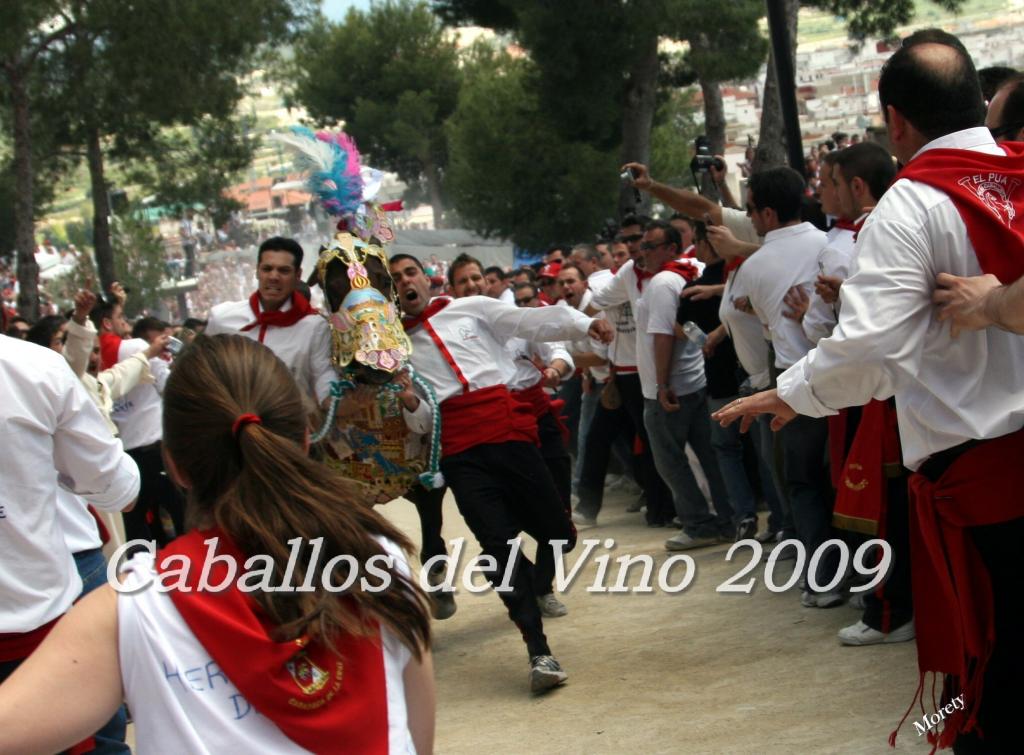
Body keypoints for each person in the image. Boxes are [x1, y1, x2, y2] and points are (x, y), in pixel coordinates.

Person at [714, 29, 1024, 752]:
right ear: (979, 100)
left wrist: (790, 390)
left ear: (896, 121)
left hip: (981, 479)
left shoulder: (909, 206)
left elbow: (875, 347)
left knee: (990, 671)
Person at [0, 335, 435, 754]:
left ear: (174, 463)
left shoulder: (132, 608)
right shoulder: (378, 559)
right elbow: (417, 735)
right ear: (305, 439)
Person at [391, 252, 612, 692]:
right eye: (395, 279)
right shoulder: (391, 348)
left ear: (427, 278)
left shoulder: (469, 308)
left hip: (509, 432)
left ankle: (533, 582)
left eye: (409, 272)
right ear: (390, 291)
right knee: (498, 547)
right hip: (459, 452)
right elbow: (419, 425)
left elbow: (531, 324)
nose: (404, 281)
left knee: (559, 534)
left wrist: (584, 325)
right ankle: (539, 651)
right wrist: (409, 399)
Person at [0, 333, 140, 692]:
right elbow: (112, 485)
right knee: (97, 743)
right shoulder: (32, 367)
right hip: (37, 621)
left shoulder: (36, 368)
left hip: (39, 612)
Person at [205, 236, 334, 408]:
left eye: (284, 271)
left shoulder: (315, 327)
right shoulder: (221, 318)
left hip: (287, 430)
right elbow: (202, 371)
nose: (274, 276)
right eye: (267, 269)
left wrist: (341, 401)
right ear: (257, 271)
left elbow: (324, 378)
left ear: (298, 276)